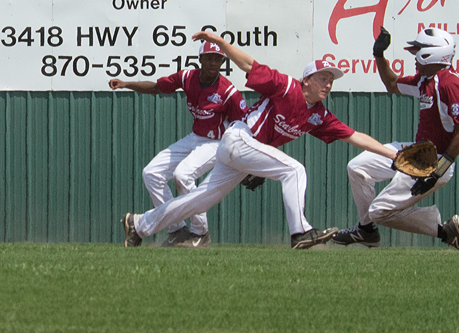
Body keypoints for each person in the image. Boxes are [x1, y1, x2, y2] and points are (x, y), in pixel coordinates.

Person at [120, 30, 399, 249]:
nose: (328, 83)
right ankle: (300, 231)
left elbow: (355, 137)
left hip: (243, 154)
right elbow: (248, 64)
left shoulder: (318, 116)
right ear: (306, 80)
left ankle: (140, 224)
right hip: (239, 139)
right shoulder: (287, 87)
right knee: (294, 170)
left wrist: (393, 156)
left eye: (331, 80)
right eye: (322, 78)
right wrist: (220, 42)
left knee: (199, 201)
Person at [332, 27, 459, 252]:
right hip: (416, 152)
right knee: (357, 167)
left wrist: (437, 170)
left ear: (433, 54)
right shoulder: (425, 80)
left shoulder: (447, 83)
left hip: (434, 161)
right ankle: (366, 230)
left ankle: (445, 231)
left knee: (379, 211)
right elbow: (392, 84)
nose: (414, 57)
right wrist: (379, 56)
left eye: (417, 51)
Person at [109, 41, 247, 248]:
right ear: (200, 59)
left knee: (183, 175)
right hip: (195, 137)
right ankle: (177, 230)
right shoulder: (187, 77)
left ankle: (200, 233)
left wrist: (247, 160)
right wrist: (126, 84)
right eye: (209, 57)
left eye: (218, 59)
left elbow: (243, 125)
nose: (213, 62)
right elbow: (157, 87)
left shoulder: (228, 92)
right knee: (152, 173)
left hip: (217, 142)